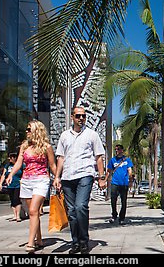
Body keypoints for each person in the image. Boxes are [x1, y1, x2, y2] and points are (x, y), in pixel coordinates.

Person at [53, 107, 106, 255]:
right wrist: (57, 177)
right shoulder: (64, 136)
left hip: (85, 174)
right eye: (78, 116)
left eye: (84, 116)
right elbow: (61, 158)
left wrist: (101, 178)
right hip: (68, 177)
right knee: (71, 211)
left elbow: (99, 157)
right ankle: (75, 242)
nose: (81, 118)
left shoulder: (92, 135)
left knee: (80, 206)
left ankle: (84, 241)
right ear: (72, 117)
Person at [6, 120, 57, 253]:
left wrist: (57, 178)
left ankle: (31, 243)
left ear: (36, 130)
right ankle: (39, 239)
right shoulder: (24, 146)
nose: (27, 132)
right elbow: (18, 162)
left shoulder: (46, 147)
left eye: (29, 129)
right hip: (27, 180)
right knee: (32, 213)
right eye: (27, 129)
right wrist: (11, 174)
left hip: (41, 180)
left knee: (34, 211)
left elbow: (52, 165)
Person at [105, 144, 134, 225]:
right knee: (113, 200)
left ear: (122, 150)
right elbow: (109, 171)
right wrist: (104, 180)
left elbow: (129, 170)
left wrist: (130, 180)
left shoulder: (127, 160)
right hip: (115, 182)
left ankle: (122, 217)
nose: (116, 151)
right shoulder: (113, 160)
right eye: (116, 149)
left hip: (124, 183)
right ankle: (114, 215)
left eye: (118, 149)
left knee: (123, 201)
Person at [0, 152, 24, 222]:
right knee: (12, 200)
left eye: (11, 157)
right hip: (10, 185)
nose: (9, 159)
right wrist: (0, 184)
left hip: (18, 184)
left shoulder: (20, 165)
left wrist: (22, 180)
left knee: (17, 199)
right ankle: (15, 215)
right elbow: (4, 175)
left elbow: (24, 173)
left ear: (15, 158)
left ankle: (18, 215)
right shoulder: (7, 166)